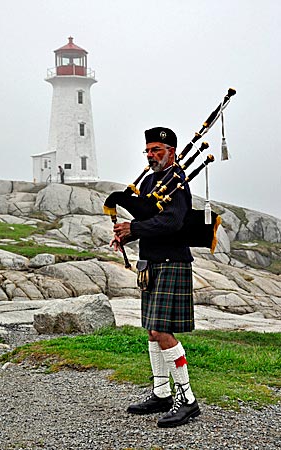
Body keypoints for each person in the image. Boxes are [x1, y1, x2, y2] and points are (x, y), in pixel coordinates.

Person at [111, 127, 200, 428]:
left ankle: (187, 400)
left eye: (157, 150)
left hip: (172, 261)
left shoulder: (178, 183)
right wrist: (126, 218)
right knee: (152, 330)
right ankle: (162, 393)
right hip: (150, 262)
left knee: (163, 332)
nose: (151, 156)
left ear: (171, 152)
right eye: (148, 151)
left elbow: (173, 221)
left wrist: (133, 230)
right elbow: (148, 215)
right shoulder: (151, 180)